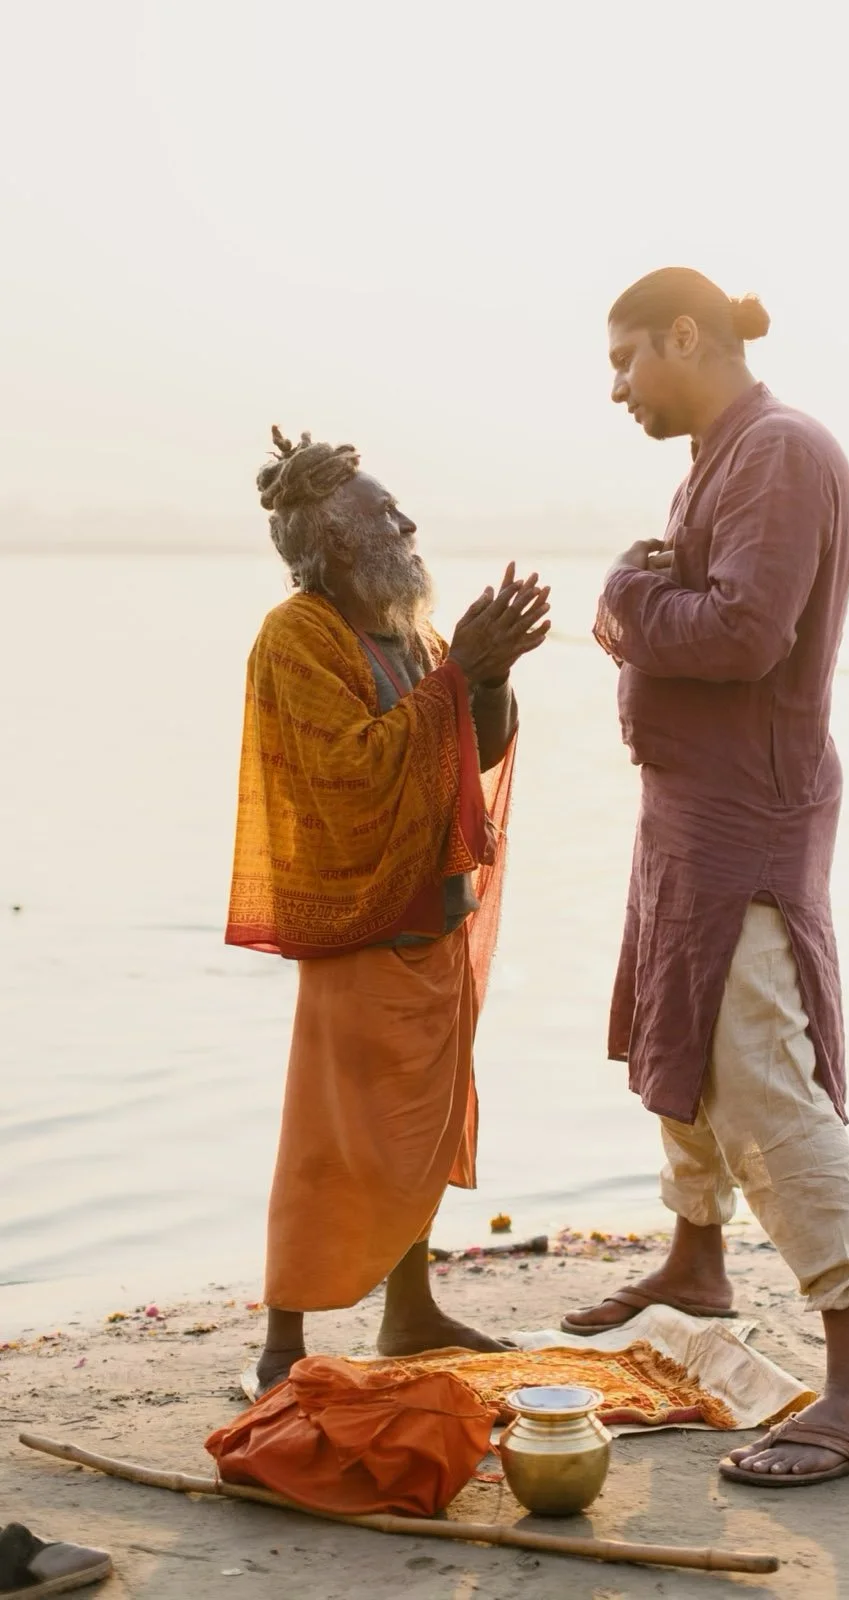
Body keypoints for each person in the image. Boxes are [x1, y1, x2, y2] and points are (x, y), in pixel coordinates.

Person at [564, 269, 849, 1486]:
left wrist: (620, 599)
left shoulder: (779, 452)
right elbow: (696, 605)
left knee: (762, 1066)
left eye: (625, 360)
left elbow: (742, 632)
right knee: (682, 1029)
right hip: (694, 808)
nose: (615, 386)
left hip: (748, 812)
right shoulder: (724, 451)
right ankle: (696, 1258)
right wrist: (645, 599)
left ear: (687, 335)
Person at [227, 426, 550, 1396]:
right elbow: (348, 777)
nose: (406, 525)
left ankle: (408, 1312)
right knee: (331, 1140)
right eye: (381, 515)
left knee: (421, 1127)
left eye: (398, 509)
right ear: (333, 549)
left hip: (433, 924)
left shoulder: (412, 635)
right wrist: (461, 678)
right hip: (360, 928)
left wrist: (486, 673)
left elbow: (476, 751)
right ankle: (284, 1340)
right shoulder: (299, 636)